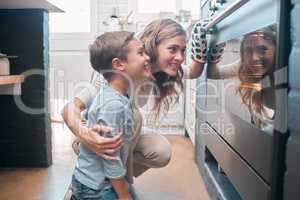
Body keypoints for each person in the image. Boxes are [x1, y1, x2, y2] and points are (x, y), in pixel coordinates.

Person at [62, 19, 215, 185]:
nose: (180, 57)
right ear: (153, 46)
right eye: (172, 49)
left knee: (161, 151)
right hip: (95, 134)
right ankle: (108, 183)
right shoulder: (117, 73)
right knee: (134, 117)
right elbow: (69, 108)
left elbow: (193, 71)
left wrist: (234, 61)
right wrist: (86, 136)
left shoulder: (157, 70)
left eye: (183, 50)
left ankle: (107, 179)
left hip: (121, 132)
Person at [70, 31, 152, 200]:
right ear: (119, 64)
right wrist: (123, 194)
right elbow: (110, 158)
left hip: (90, 180)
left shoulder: (114, 94)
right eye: (141, 52)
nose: (147, 57)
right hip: (99, 188)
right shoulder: (113, 105)